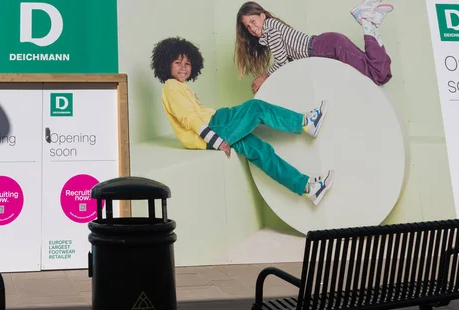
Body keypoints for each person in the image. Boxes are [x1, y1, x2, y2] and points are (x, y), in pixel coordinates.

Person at [150, 37, 335, 206]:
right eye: (177, 63)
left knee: (261, 151)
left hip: (217, 122)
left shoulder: (181, 86)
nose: (183, 67)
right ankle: (304, 122)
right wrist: (216, 141)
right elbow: (190, 119)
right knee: (256, 109)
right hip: (213, 128)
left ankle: (308, 188)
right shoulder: (171, 87)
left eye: (187, 63)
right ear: (166, 64)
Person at [234, 0, 394, 94]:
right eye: (248, 27)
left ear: (262, 15)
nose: (252, 28)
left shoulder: (270, 28)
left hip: (330, 47)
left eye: (253, 21)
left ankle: (365, 19)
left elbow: (282, 62)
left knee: (376, 76)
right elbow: (288, 64)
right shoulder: (269, 30)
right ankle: (371, 25)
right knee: (382, 74)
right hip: (330, 46)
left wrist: (264, 76)